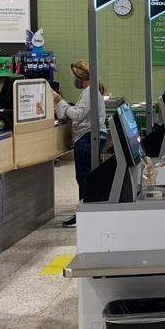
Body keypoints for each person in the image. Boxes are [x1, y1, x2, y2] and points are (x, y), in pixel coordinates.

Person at [53, 60, 106, 228]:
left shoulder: (90, 92)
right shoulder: (91, 91)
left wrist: (60, 101)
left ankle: (83, 214)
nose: (74, 81)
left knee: (83, 178)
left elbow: (77, 115)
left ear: (82, 77)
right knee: (86, 177)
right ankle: (86, 211)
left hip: (86, 139)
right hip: (89, 137)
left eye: (75, 77)